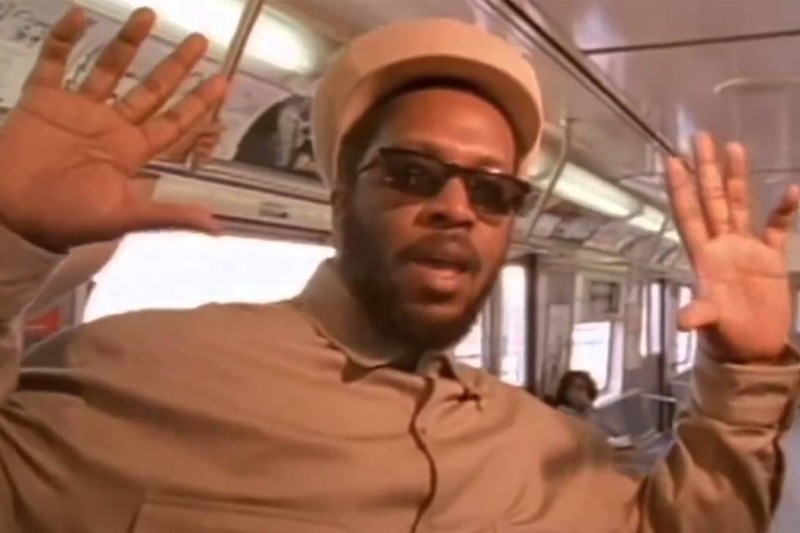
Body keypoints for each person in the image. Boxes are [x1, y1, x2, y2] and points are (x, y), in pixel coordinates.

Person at [0, 7, 798, 533]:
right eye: (413, 173)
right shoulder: (126, 377)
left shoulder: (554, 449)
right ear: (340, 192)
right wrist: (9, 233)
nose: (457, 208)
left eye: (493, 190)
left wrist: (745, 376)